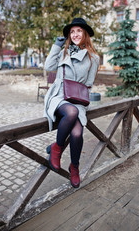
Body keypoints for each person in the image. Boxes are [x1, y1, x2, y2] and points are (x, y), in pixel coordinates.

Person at [44, 17, 100, 188]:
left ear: (85, 34)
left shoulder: (94, 58)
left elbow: (89, 84)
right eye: (72, 31)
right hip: (59, 96)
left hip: (77, 99)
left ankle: (74, 167)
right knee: (71, 113)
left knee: (77, 134)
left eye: (79, 31)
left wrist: (77, 87)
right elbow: (48, 66)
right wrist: (56, 46)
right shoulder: (63, 52)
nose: (75, 34)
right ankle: (57, 148)